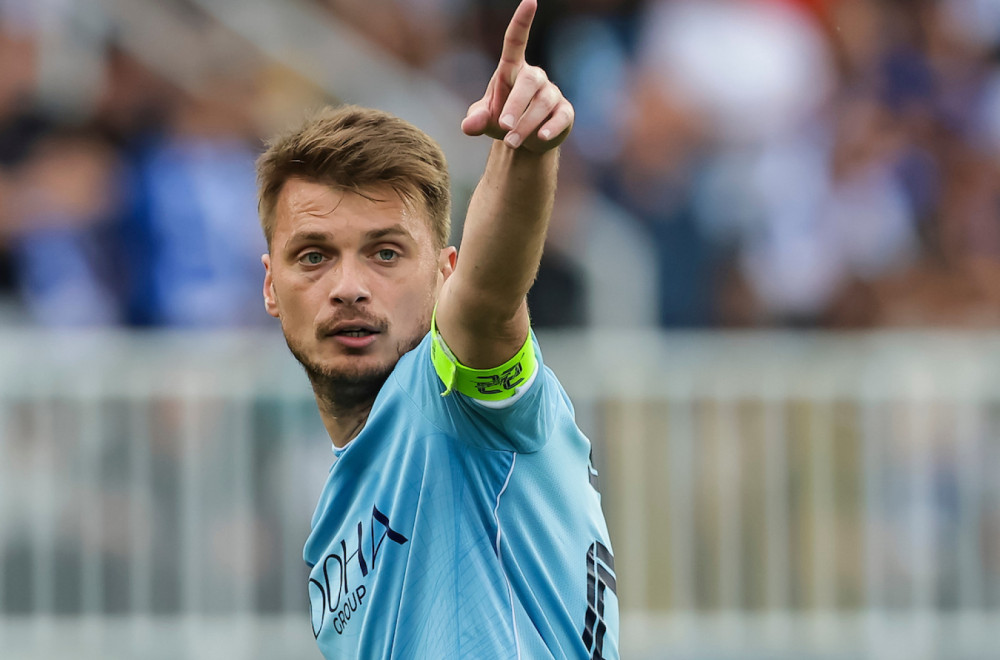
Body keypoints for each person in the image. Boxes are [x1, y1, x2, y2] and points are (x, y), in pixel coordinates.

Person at [255, 1, 618, 657]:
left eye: (385, 253)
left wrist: (523, 151)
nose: (348, 286)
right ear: (270, 287)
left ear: (445, 272)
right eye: (313, 256)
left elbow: (487, 300)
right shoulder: (332, 520)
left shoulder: (454, 395)